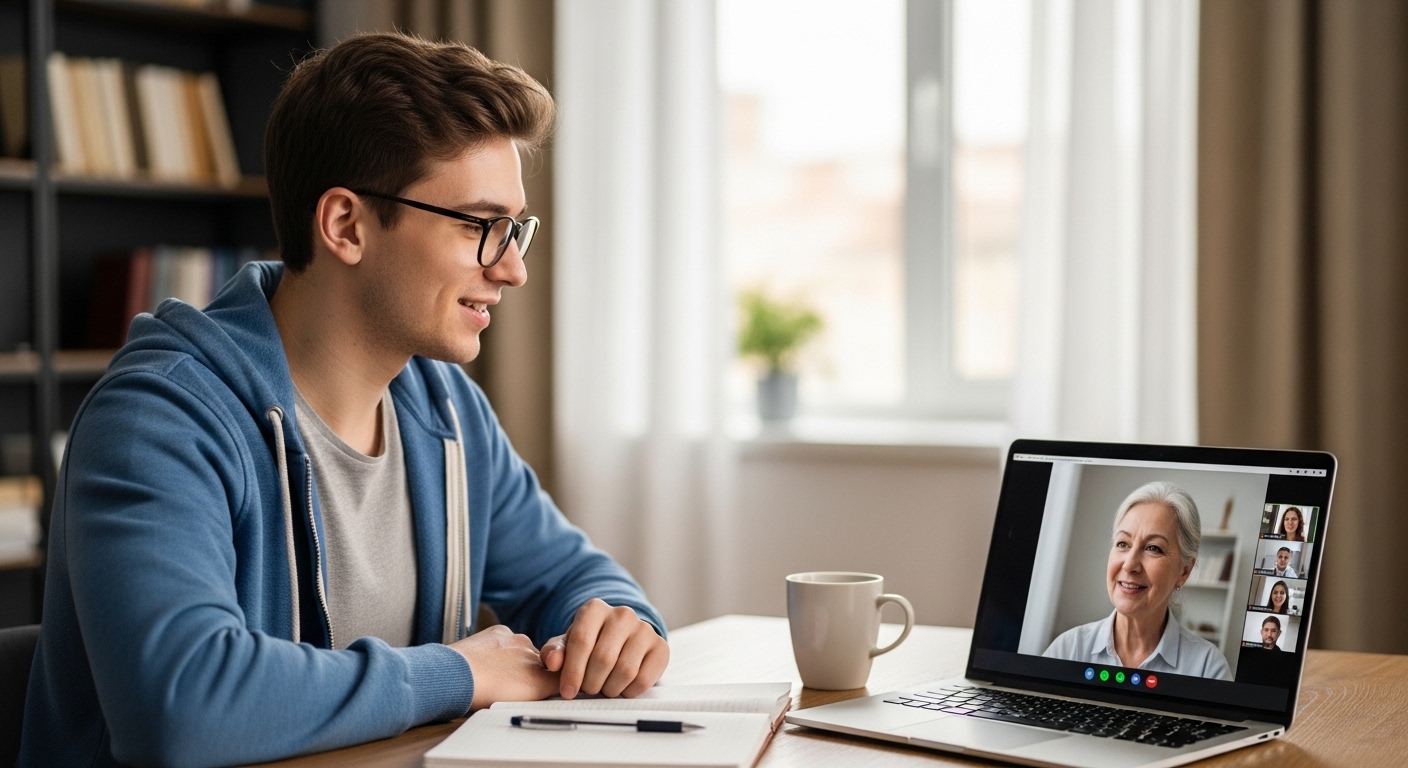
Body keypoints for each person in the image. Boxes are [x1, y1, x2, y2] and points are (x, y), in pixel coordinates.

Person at [19, 34, 669, 768]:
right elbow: (181, 706)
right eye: (480, 226)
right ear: (345, 226)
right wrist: (460, 673)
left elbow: (574, 579)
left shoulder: (448, 411)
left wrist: (614, 625)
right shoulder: (157, 420)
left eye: (516, 229)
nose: (513, 268)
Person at [1043, 481, 1231, 680]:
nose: (1129, 564)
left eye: (1153, 548)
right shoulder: (1067, 649)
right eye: (1123, 543)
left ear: (1184, 572)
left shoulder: (1208, 668)